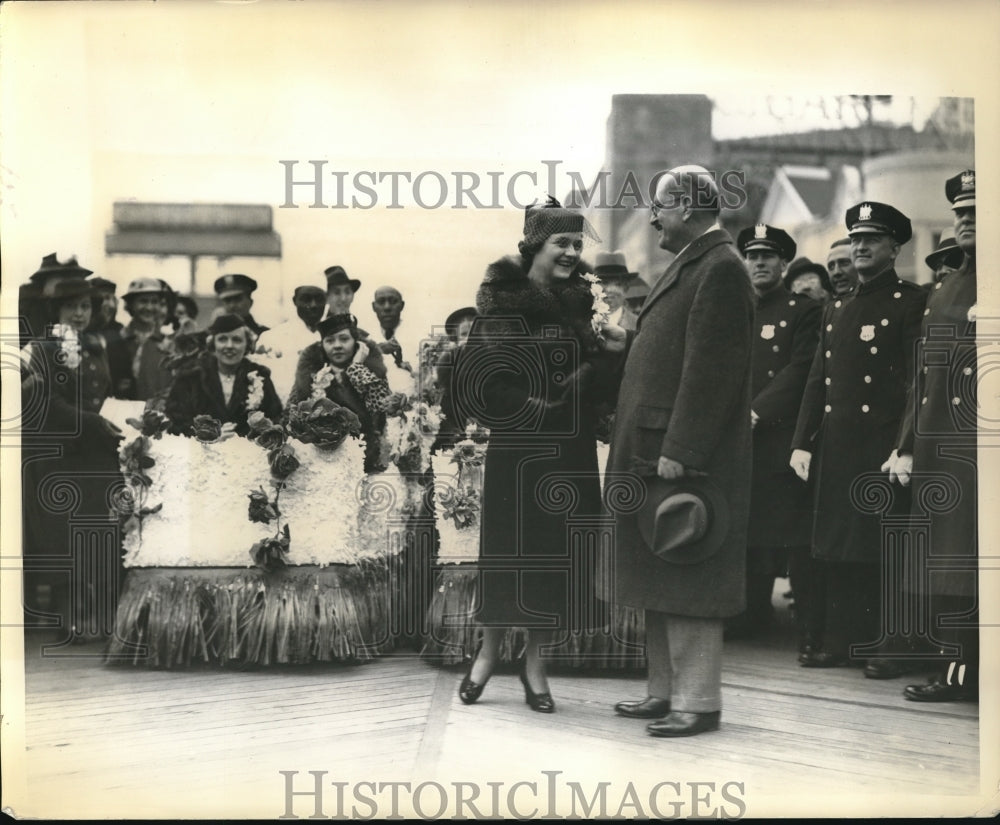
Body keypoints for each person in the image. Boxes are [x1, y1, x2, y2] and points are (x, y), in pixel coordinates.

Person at [454, 197, 623, 714]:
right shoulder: (500, 301)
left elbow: (601, 388)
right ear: (534, 245)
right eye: (562, 243)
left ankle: (534, 663)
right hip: (520, 446)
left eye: (577, 243)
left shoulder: (584, 301)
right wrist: (540, 406)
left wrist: (611, 356)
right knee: (510, 552)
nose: (573, 252)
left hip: (568, 449)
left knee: (555, 556)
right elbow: (482, 384)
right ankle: (486, 653)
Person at [608, 166, 754, 737]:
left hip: (680, 456)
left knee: (691, 574)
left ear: (689, 208)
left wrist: (683, 447)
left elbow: (712, 371)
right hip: (656, 450)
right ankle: (664, 693)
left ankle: (698, 701)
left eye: (660, 207)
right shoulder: (699, 263)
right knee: (660, 572)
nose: (652, 216)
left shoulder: (720, 267)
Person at [791, 201, 927, 679]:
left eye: (873, 239)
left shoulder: (911, 302)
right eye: (857, 239)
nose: (862, 246)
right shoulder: (837, 305)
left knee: (878, 549)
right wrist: (802, 442)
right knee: (838, 547)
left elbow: (917, 380)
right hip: (837, 444)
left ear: (894, 248)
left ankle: (889, 645)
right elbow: (817, 381)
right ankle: (843, 639)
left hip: (881, 446)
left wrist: (905, 444)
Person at [888, 171, 978, 702]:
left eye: (976, 211)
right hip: (941, 445)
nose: (964, 219)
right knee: (949, 563)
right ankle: (954, 670)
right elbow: (923, 375)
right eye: (960, 212)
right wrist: (905, 445)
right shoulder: (947, 287)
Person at [727, 225, 822, 649]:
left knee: (781, 529)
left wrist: (757, 410)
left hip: (777, 435)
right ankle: (749, 611)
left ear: (784, 263)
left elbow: (801, 368)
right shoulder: (733, 308)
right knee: (742, 527)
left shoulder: (803, 310)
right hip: (732, 435)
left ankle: (806, 620)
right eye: (752, 255)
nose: (759, 262)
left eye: (768, 256)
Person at [21, 276, 124, 637]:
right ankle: (70, 618)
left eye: (85, 306)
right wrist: (94, 421)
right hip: (63, 454)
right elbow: (46, 403)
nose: (79, 314)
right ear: (56, 310)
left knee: (98, 531)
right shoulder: (44, 347)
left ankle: (99, 616)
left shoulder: (96, 344)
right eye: (71, 307)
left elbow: (103, 394)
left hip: (95, 453)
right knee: (64, 536)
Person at [287, 313, 391, 472]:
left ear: (356, 343)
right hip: (318, 458)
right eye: (329, 341)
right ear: (322, 345)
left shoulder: (370, 373)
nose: (337, 346)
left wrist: (356, 367)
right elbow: (291, 413)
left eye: (344, 339)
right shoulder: (311, 376)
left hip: (364, 454)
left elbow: (380, 408)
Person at [164, 313, 282, 437]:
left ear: (247, 344)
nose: (229, 346)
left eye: (237, 340)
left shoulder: (260, 376)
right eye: (222, 339)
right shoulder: (190, 377)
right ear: (212, 344)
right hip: (201, 452)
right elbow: (174, 422)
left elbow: (274, 419)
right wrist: (210, 436)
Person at [115, 277, 175, 402]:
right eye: (143, 301)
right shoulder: (118, 340)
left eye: (154, 302)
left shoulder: (169, 344)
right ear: (131, 304)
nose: (149, 307)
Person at [256, 284, 327, 359]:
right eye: (306, 299)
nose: (313, 305)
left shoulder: (334, 336)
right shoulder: (272, 337)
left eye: (319, 299)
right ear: (295, 301)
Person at [594, 250, 638, 331]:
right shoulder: (581, 322)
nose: (610, 290)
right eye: (604, 283)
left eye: (617, 284)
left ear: (626, 288)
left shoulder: (639, 324)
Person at [371, 286, 412, 369]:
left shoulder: (417, 335)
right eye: (381, 302)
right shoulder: (364, 338)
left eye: (393, 301)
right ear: (374, 307)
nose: (387, 307)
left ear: (402, 305)